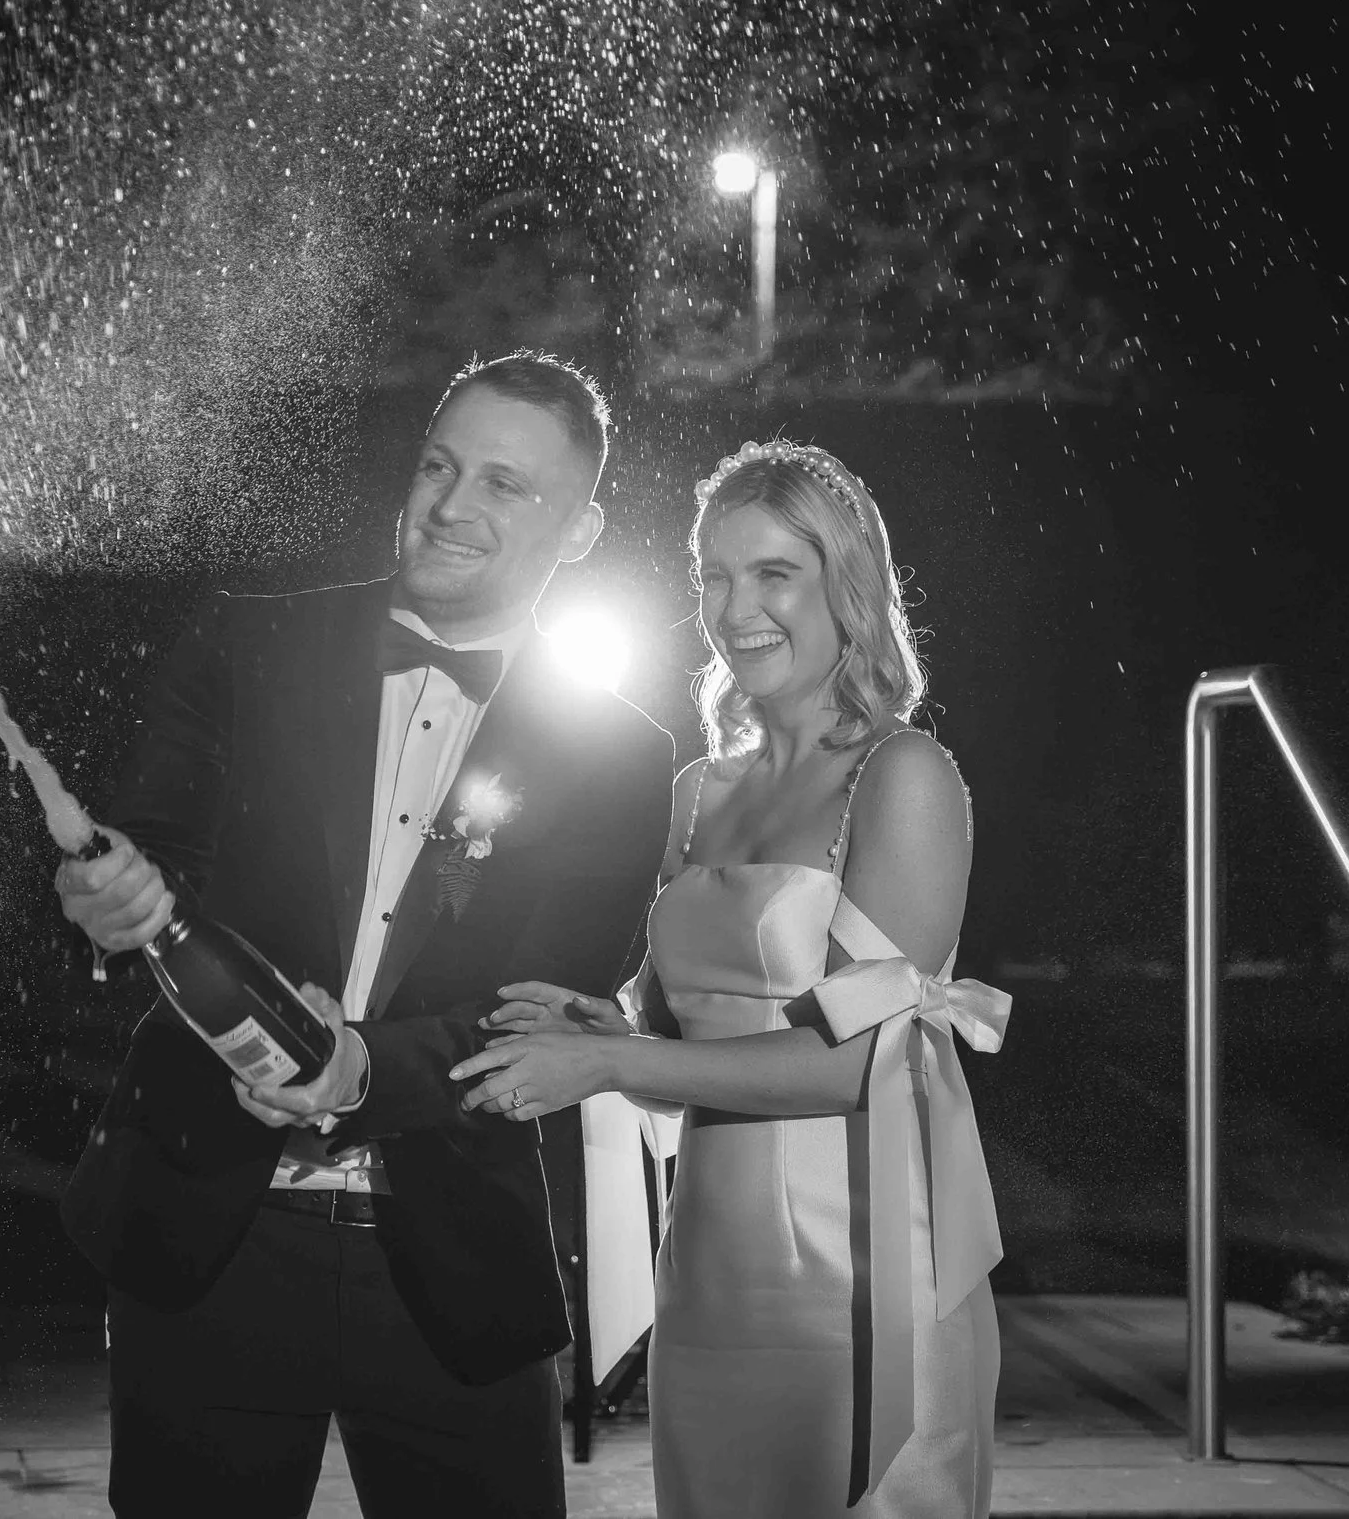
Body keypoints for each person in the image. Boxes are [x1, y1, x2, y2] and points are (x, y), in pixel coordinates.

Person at [56, 351, 673, 1518]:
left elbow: (547, 1006)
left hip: (450, 1261)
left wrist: (357, 1072)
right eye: (441, 465)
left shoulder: (621, 754)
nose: (451, 504)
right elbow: (151, 852)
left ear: (580, 529)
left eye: (506, 484)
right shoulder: (247, 642)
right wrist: (105, 901)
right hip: (207, 1235)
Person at [453, 438, 1011, 1518]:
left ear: (845, 585)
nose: (733, 605)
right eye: (712, 574)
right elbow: (675, 1068)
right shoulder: (697, 788)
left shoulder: (904, 775)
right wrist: (597, 1024)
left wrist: (610, 1052)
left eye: (772, 573)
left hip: (868, 1271)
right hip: (709, 1268)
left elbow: (856, 1061)